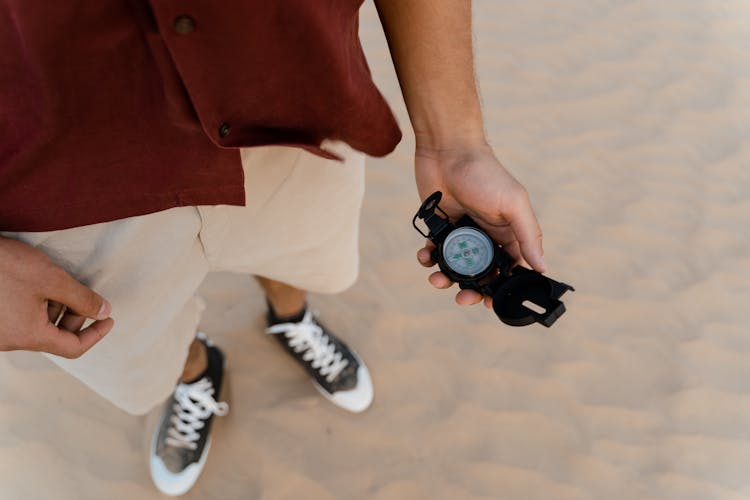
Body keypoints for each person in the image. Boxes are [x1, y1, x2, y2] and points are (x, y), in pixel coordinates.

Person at [0, 0, 545, 495]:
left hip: (289, 101)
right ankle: (194, 372)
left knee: (297, 253)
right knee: (125, 341)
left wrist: (456, 141)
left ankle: (290, 317)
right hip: (53, 177)